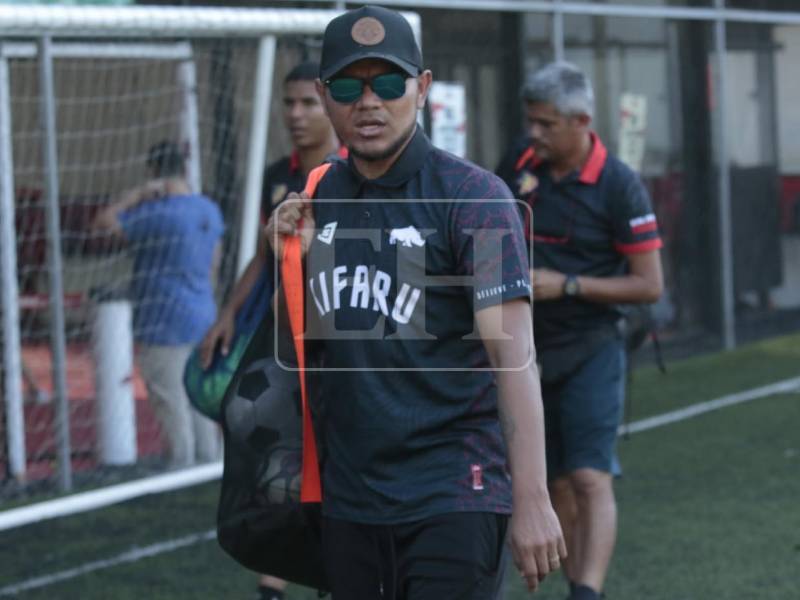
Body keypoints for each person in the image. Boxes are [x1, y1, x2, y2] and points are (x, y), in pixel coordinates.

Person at [265, 6, 565, 598]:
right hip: (351, 498)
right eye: (349, 85)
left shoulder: (476, 198)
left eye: (390, 83)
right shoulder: (320, 192)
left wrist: (532, 499)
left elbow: (514, 358)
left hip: (454, 491)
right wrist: (288, 267)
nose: (369, 102)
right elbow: (301, 343)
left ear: (422, 88)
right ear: (326, 96)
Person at [496, 62, 664, 600]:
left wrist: (568, 285)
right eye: (531, 123)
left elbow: (648, 285)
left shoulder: (619, 185)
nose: (535, 135)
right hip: (526, 352)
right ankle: (578, 585)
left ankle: (587, 593)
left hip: (592, 347)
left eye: (546, 124)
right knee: (553, 483)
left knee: (590, 477)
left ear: (582, 121)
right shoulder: (518, 166)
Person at [199, 60, 342, 600]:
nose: (296, 114)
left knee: (321, 450)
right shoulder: (276, 176)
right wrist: (228, 312)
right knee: (264, 438)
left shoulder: (348, 172)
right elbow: (263, 256)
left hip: (330, 333)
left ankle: (327, 565)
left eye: (307, 102)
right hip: (278, 332)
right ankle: (273, 578)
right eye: (289, 103)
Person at [92, 140, 223, 469]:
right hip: (204, 316)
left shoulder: (155, 213)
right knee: (201, 402)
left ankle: (180, 471)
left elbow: (102, 223)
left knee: (172, 404)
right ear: (184, 169)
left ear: (153, 172)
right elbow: (215, 264)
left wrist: (136, 195)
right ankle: (210, 470)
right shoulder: (208, 209)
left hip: (164, 323)